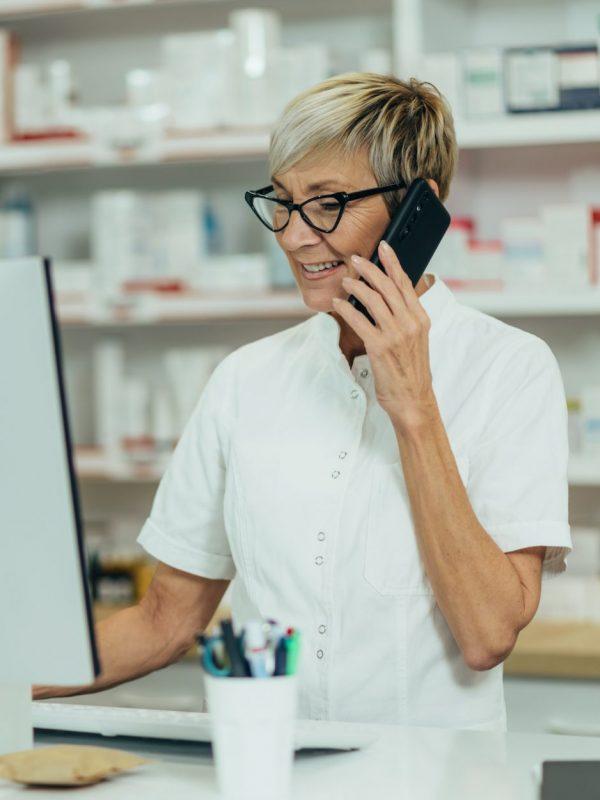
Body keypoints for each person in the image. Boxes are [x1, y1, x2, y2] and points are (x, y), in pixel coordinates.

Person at [36, 73, 572, 731]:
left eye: (327, 203)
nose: (293, 237)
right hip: (262, 771)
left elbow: (488, 633)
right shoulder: (245, 380)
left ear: (417, 209)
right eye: (283, 202)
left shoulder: (510, 370)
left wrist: (413, 407)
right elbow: (163, 621)